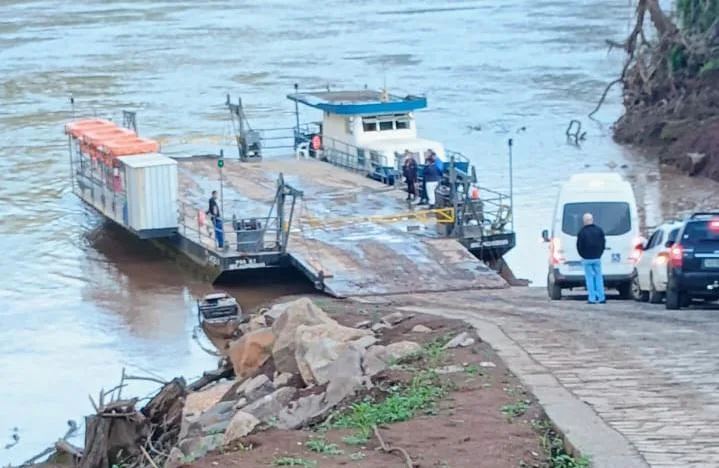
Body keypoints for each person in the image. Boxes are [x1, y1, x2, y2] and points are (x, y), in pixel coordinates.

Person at [576, 212, 606, 304]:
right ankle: (601, 297)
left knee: (589, 278)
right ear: (592, 220)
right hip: (597, 257)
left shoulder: (581, 232)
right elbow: (603, 244)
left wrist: (583, 255)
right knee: (598, 277)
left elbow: (579, 246)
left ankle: (592, 298)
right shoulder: (599, 230)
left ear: (584, 221)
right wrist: (599, 253)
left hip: (587, 258)